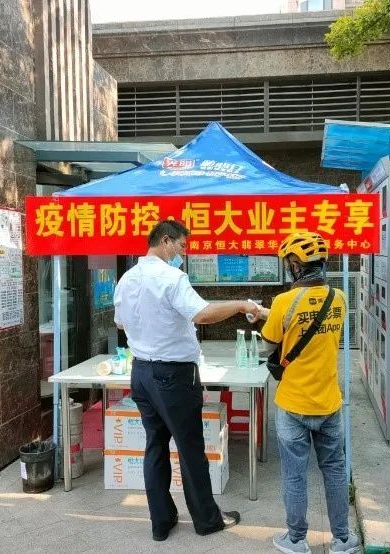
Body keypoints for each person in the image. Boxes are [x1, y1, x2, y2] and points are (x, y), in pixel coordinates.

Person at [113, 219, 261, 542]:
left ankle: (161, 522)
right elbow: (202, 314)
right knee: (190, 447)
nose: (183, 252)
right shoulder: (172, 277)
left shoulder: (126, 279)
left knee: (155, 446)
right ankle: (207, 520)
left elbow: (121, 324)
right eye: (181, 245)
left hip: (141, 373)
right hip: (174, 376)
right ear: (165, 241)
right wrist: (241, 305)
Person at [258, 232, 361, 554]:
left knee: (294, 475)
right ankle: (342, 540)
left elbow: (268, 346)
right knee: (334, 470)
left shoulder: (283, 302)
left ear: (295, 265)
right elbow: (313, 322)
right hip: (329, 402)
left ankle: (296, 540)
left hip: (293, 404)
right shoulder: (339, 298)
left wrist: (266, 316)